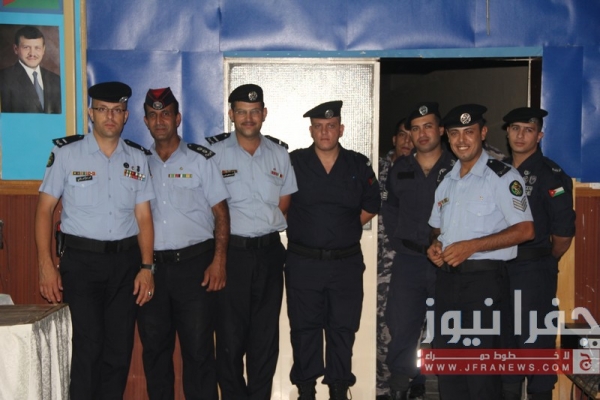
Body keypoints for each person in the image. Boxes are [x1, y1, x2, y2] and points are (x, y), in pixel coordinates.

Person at [35, 81, 155, 399]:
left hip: (125, 264)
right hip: (82, 264)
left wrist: (147, 267)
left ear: (126, 116)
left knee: (119, 350)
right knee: (88, 348)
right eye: (103, 109)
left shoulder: (137, 158)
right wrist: (46, 265)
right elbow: (44, 210)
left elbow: (144, 217)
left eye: (117, 110)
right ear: (91, 113)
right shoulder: (67, 154)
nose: (110, 116)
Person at [427, 104, 535, 400]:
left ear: (483, 133)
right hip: (447, 283)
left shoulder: (502, 176)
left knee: (481, 374)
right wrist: (436, 246)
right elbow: (437, 230)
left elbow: (526, 230)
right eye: (454, 134)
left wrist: (472, 246)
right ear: (447, 137)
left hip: (484, 284)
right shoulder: (446, 181)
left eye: (469, 132)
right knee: (449, 368)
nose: (461, 140)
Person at [137, 87, 230, 400]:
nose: (159, 121)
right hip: (152, 270)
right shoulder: (137, 163)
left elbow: (221, 213)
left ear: (177, 118)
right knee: (155, 351)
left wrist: (219, 261)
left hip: (195, 268)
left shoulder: (201, 160)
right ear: (145, 121)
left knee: (199, 352)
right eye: (153, 115)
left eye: (165, 114)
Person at [206, 83, 298, 400]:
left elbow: (284, 203)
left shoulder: (279, 154)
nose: (248, 118)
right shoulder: (214, 155)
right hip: (231, 255)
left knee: (265, 339)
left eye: (254, 111)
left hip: (270, 254)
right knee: (230, 339)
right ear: (231, 115)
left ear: (264, 114)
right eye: (242, 112)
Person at [285, 100, 381, 400]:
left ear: (341, 129)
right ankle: (306, 390)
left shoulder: (358, 164)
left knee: (343, 328)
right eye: (318, 127)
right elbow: (281, 206)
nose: (324, 132)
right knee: (304, 329)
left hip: (345, 263)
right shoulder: (294, 162)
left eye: (330, 126)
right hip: (304, 262)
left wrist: (344, 229)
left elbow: (371, 205)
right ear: (311, 131)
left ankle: (339, 389)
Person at [382, 102, 456, 400]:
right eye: (415, 128)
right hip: (409, 261)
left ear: (441, 130)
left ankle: (448, 388)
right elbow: (390, 211)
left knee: (448, 327)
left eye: (428, 126)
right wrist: (401, 244)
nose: (422, 134)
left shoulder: (457, 166)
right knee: (402, 326)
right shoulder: (400, 168)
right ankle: (401, 387)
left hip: (448, 262)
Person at [501, 107, 575, 400]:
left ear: (539, 136)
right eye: (515, 128)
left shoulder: (551, 175)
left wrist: (545, 259)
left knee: (535, 342)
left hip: (533, 270)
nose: (520, 135)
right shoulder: (497, 171)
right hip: (499, 269)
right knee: (504, 342)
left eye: (528, 130)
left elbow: (563, 234)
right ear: (507, 133)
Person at [376, 118, 414, 400]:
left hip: (409, 264)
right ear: (394, 139)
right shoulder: (374, 169)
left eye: (412, 135)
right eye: (402, 135)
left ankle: (409, 384)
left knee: (407, 328)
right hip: (375, 263)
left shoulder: (424, 170)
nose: (407, 141)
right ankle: (379, 386)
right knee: (377, 327)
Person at [0, 25, 61, 113]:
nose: (32, 53)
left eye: (37, 48)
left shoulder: (56, 80)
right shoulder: (4, 78)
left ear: (43, 49)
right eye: (26, 47)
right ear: (16, 49)